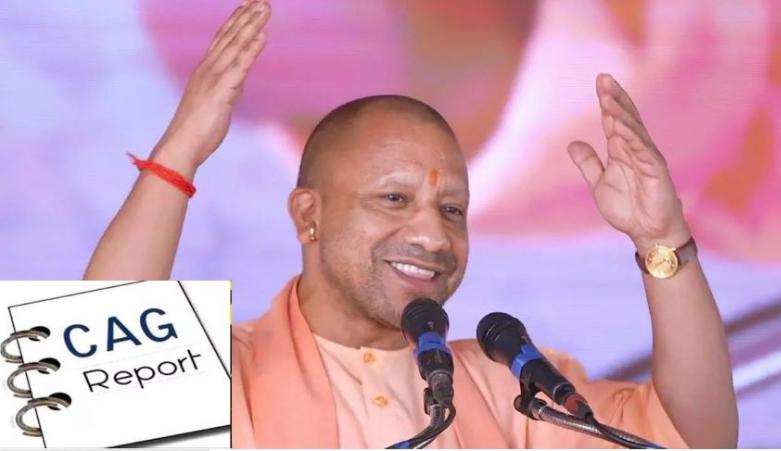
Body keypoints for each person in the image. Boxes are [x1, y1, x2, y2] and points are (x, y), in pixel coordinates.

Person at [85, 0, 738, 448]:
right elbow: (89, 391)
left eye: (452, 210)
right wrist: (179, 154)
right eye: (394, 199)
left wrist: (663, 243)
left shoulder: (507, 385)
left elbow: (691, 438)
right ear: (308, 214)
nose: (433, 236)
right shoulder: (229, 376)